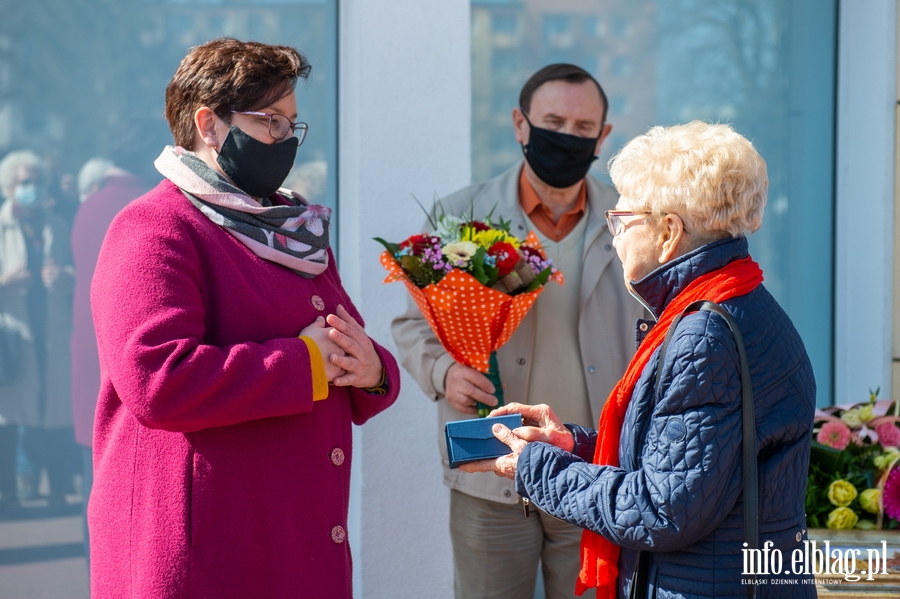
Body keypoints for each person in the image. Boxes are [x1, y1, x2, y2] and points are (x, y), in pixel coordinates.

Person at [88, 38, 400, 598]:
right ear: (209, 124)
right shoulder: (152, 227)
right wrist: (306, 363)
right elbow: (157, 381)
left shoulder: (290, 228)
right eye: (270, 122)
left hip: (292, 543)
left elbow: (345, 343)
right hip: (209, 550)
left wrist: (374, 368)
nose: (286, 140)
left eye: (292, 125)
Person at [464, 121, 817, 598]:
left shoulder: (704, 334)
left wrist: (538, 468)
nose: (615, 237)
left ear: (669, 232)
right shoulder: (743, 300)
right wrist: (574, 445)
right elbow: (688, 465)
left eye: (622, 220)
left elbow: (662, 509)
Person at [392, 64, 645, 599]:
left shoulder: (632, 221)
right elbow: (414, 321)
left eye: (583, 128)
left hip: (594, 471)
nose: (567, 137)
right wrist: (443, 372)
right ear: (520, 123)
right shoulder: (462, 215)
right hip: (489, 466)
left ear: (603, 137)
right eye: (553, 121)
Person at [0, 149, 76, 514]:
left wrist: (65, 277)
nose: (30, 188)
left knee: (55, 413)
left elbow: (81, 274)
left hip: (52, 331)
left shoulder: (56, 225)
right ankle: (9, 493)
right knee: (10, 417)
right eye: (23, 182)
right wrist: (4, 283)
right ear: (10, 186)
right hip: (13, 335)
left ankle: (58, 490)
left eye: (36, 182)